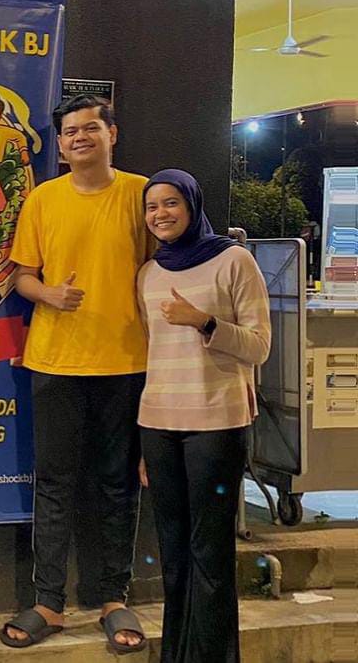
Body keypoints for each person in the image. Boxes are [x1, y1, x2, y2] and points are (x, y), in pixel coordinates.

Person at [0, 94, 150, 654]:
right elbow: (22, 278)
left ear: (113, 133)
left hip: (127, 364)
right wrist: (50, 295)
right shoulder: (43, 199)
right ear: (59, 146)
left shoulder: (142, 195)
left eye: (91, 128)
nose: (79, 138)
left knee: (118, 484)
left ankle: (114, 597)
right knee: (55, 484)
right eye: (69, 132)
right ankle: (48, 603)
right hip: (55, 362)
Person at [138, 170, 270, 663]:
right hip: (159, 426)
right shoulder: (148, 274)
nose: (161, 215)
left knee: (210, 554)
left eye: (171, 203)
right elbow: (148, 354)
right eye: (152, 207)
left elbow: (259, 347)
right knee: (173, 556)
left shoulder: (234, 262)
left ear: (192, 205)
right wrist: (142, 443)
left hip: (216, 423)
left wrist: (206, 322)